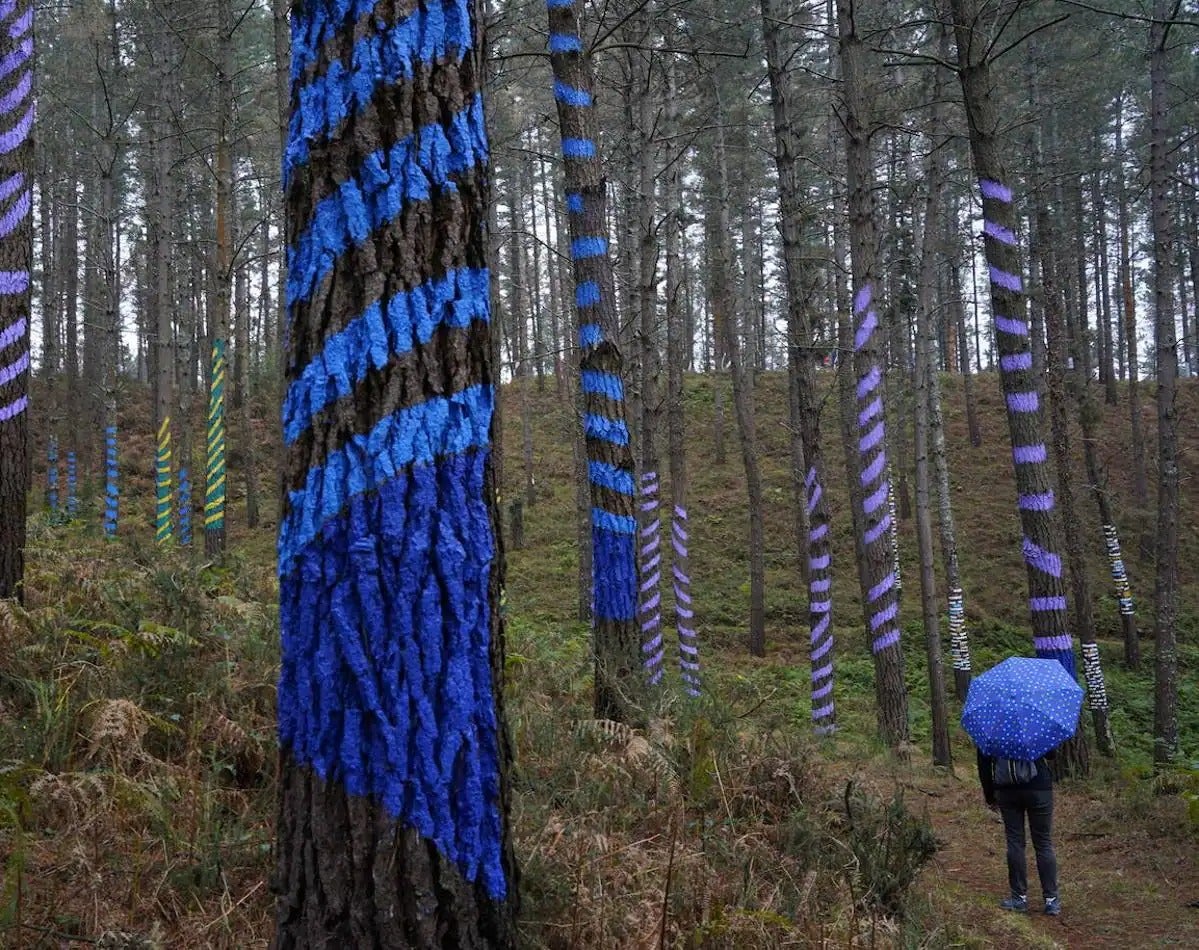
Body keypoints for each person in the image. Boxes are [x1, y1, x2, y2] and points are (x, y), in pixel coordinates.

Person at [977, 748, 1061, 916]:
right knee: (1043, 843)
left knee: (1015, 842)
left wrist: (989, 795)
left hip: (1006, 790)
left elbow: (984, 764)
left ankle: (1019, 898)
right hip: (1039, 787)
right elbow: (1051, 754)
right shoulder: (1035, 722)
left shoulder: (993, 726)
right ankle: (1051, 900)